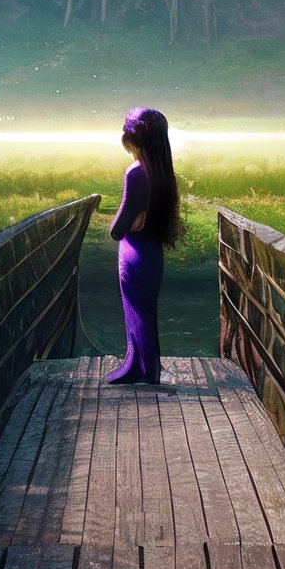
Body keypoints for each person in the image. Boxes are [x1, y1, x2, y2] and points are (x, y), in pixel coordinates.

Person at [106, 106, 182, 385]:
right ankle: (147, 368)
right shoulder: (163, 171)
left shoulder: (136, 172)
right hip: (152, 251)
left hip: (133, 251)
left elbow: (118, 228)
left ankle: (139, 367)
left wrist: (121, 225)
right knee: (145, 311)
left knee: (136, 309)